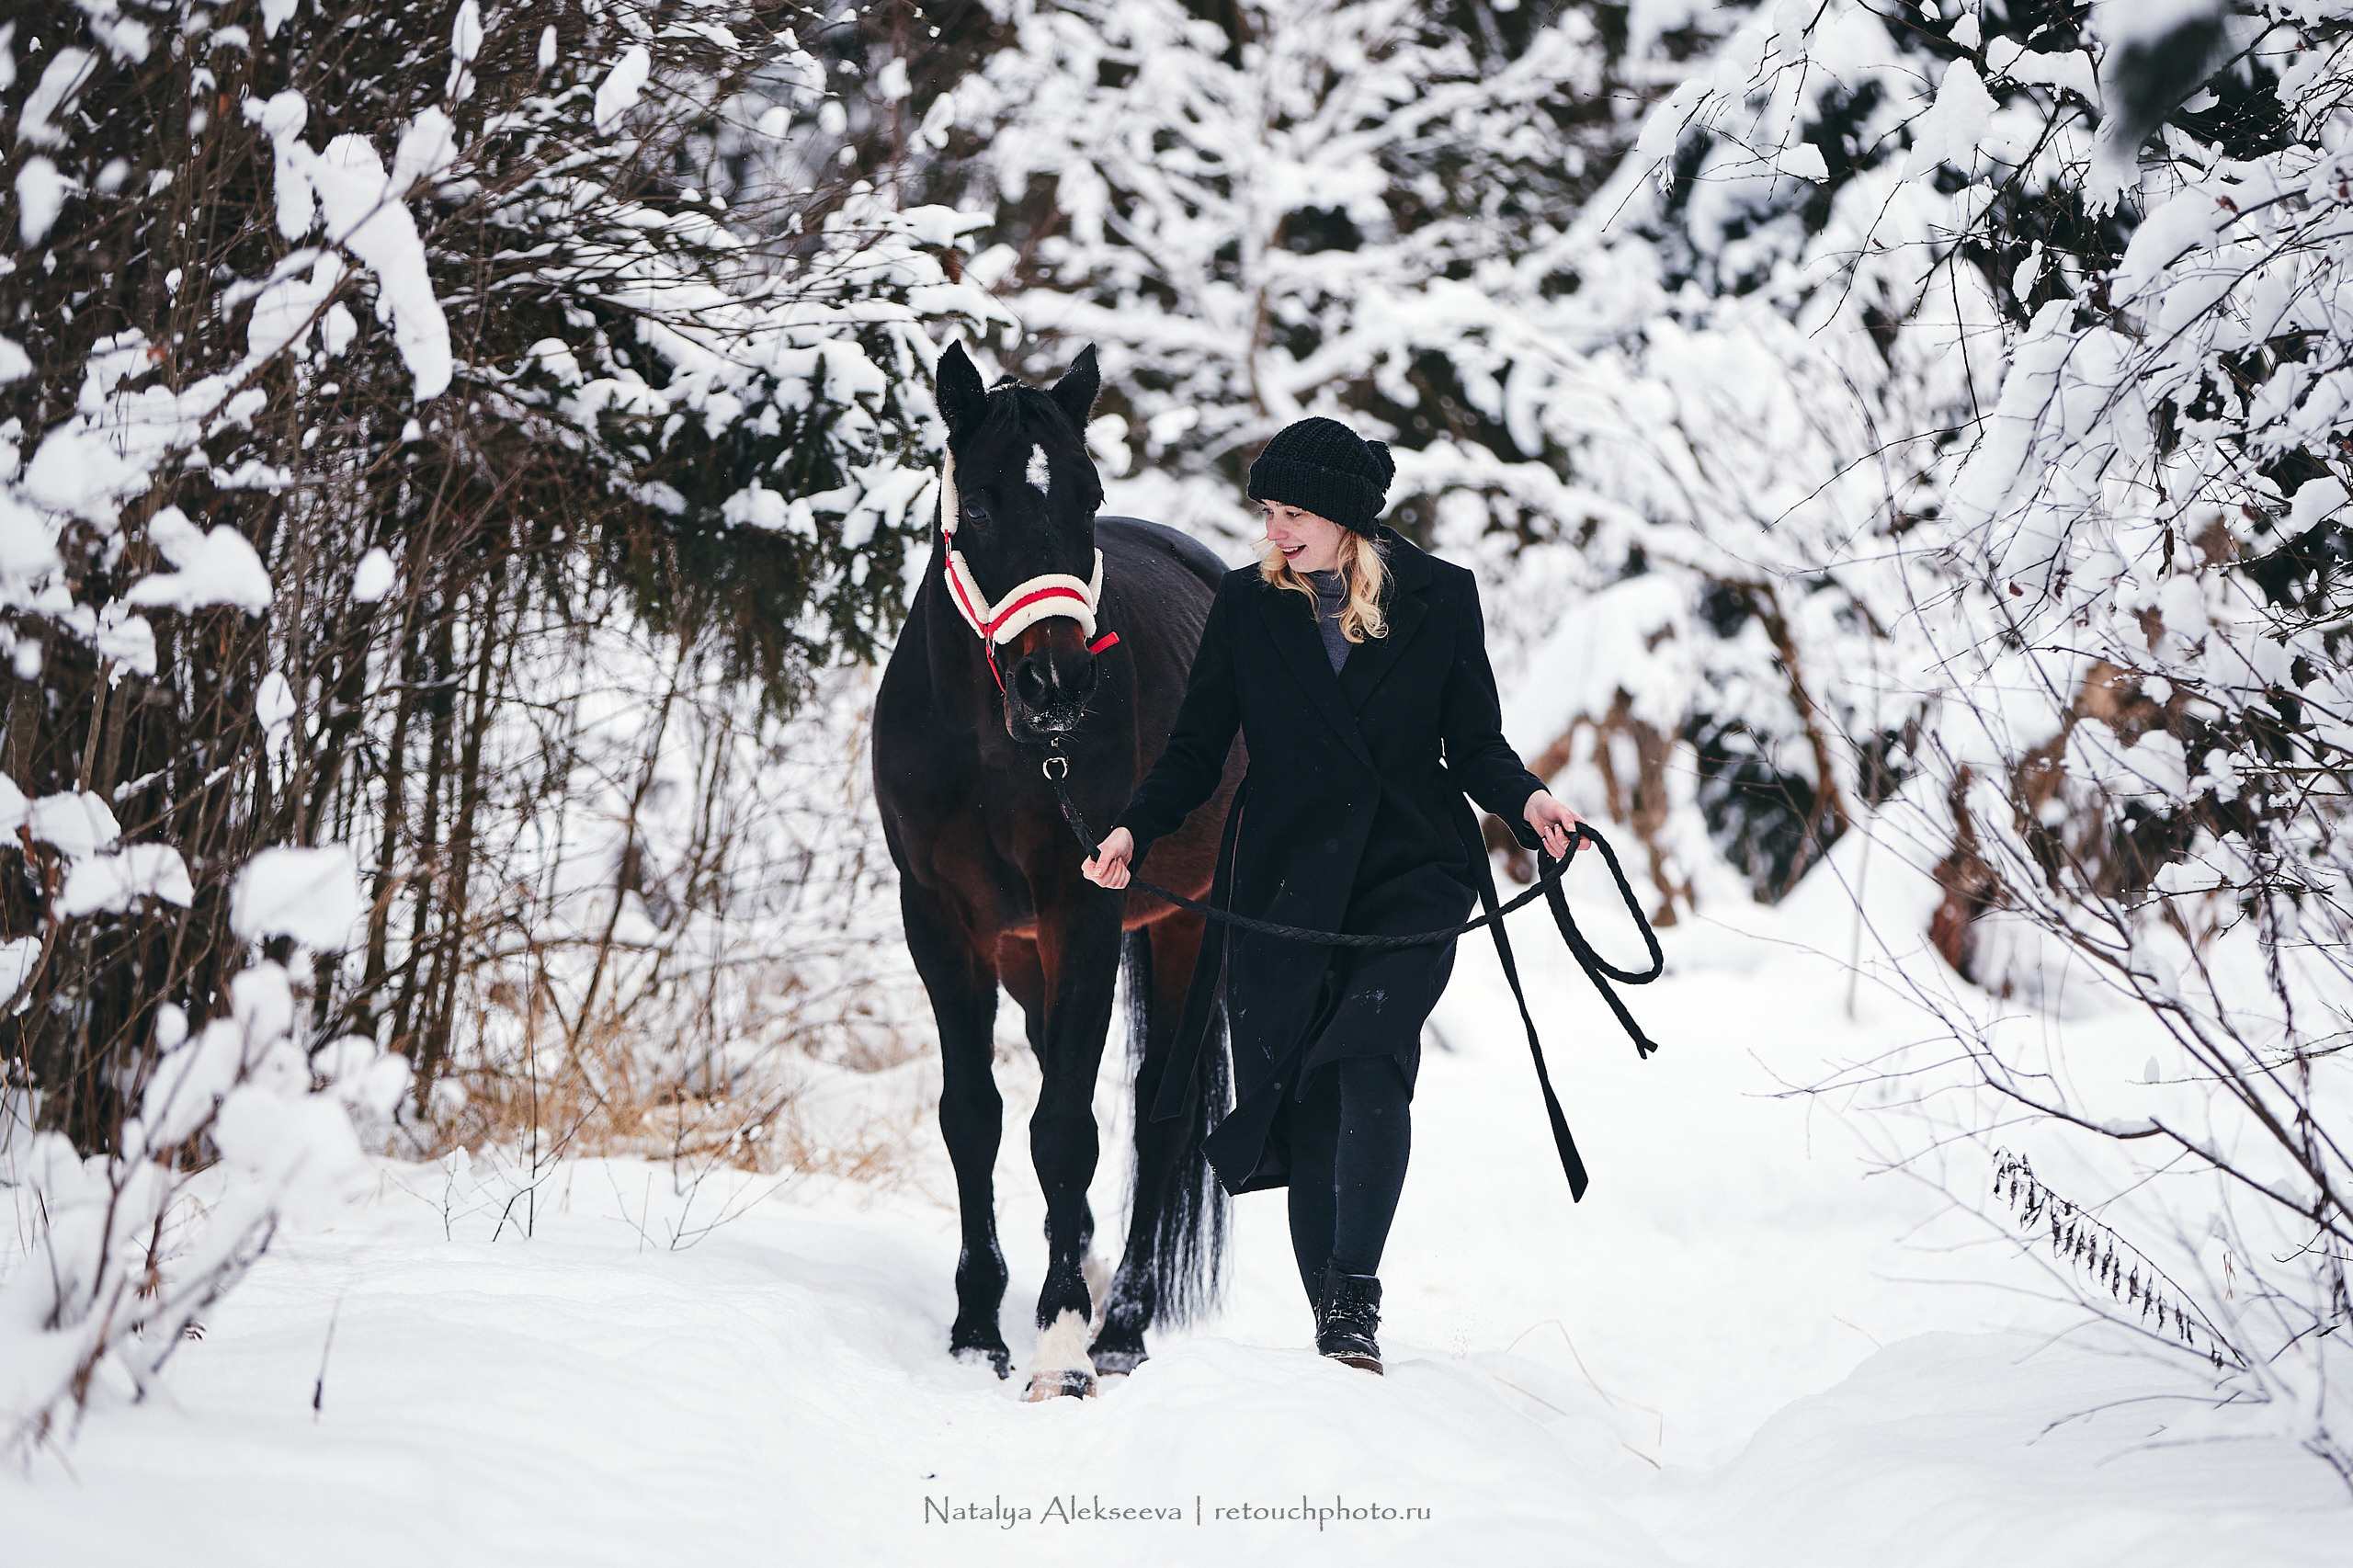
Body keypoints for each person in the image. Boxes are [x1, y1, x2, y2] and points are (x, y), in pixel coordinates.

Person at [1081, 415, 1581, 1374]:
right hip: (1279, 875)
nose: (1273, 531)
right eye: (1266, 511)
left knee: (1368, 1056)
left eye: (1292, 513)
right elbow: (1194, 751)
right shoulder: (1243, 605)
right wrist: (1135, 826)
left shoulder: (1441, 597)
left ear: (1348, 516)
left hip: (1409, 868)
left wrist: (1528, 801)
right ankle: (1333, 1327)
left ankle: (1354, 1295)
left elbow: (1473, 741)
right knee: (1304, 1094)